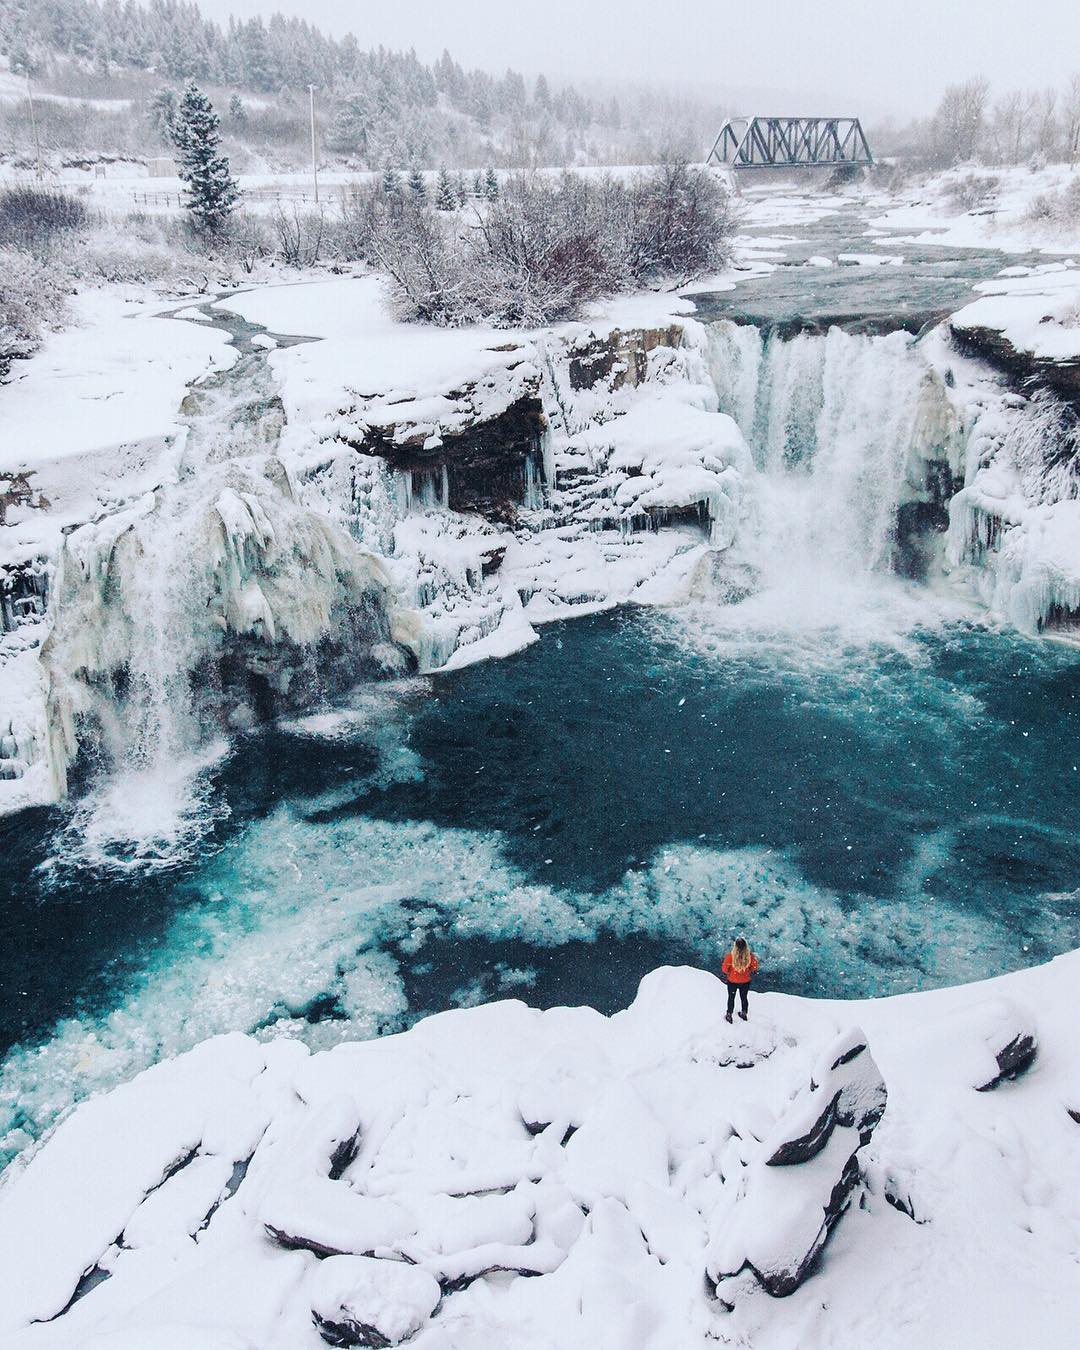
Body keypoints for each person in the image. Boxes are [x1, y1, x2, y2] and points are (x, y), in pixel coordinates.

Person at [721, 936, 758, 1023]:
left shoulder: (730, 957)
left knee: (731, 998)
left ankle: (729, 1014)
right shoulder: (750, 956)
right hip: (745, 981)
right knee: (744, 997)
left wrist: (729, 972)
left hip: (732, 981)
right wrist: (749, 970)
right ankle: (744, 1013)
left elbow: (724, 969)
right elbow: (755, 967)